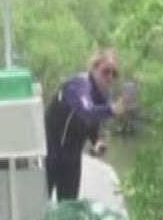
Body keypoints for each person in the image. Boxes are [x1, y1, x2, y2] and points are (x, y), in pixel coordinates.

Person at [45, 49, 130, 201]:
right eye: (105, 72)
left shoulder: (101, 95)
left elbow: (92, 124)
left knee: (69, 205)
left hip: (72, 156)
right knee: (40, 205)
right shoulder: (79, 85)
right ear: (94, 69)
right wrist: (112, 109)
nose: (110, 77)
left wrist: (96, 141)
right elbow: (85, 111)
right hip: (51, 153)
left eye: (114, 73)